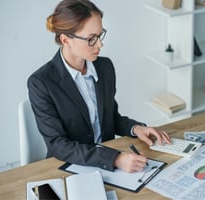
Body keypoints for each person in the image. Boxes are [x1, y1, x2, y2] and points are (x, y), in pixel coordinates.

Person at [27, 0, 171, 173]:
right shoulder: (41, 82)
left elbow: (110, 117)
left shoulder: (104, 67)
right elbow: (58, 145)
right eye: (91, 39)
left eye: (100, 35)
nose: (100, 44)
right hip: (69, 166)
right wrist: (115, 159)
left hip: (109, 162)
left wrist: (136, 128)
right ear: (66, 40)